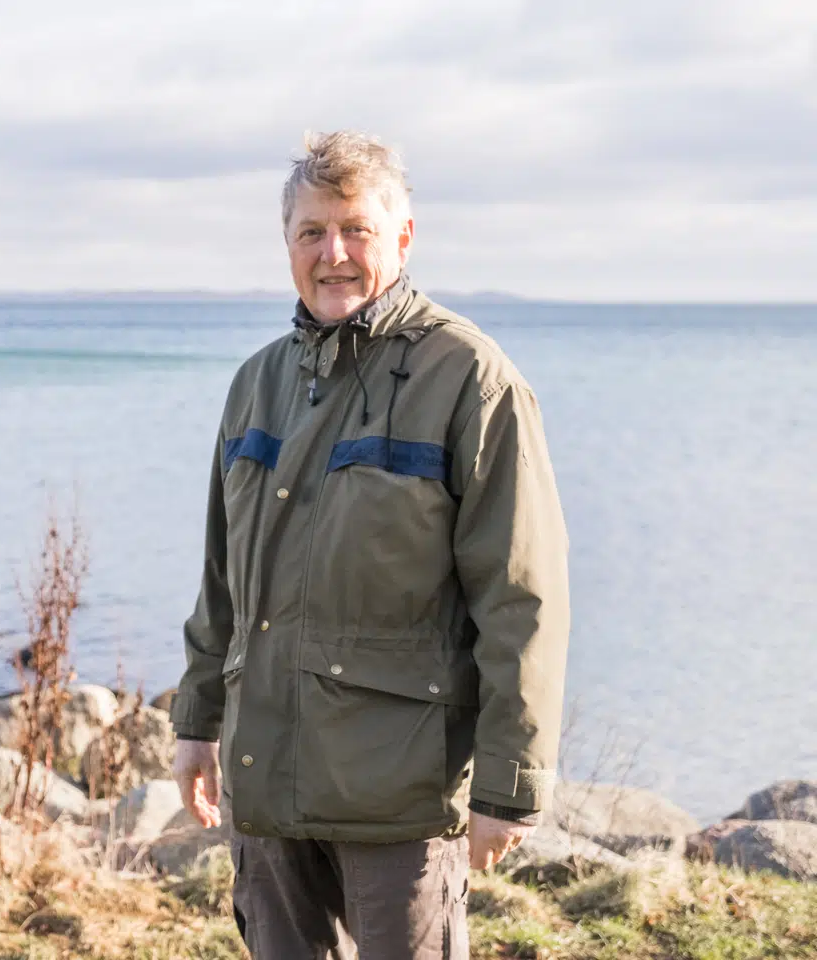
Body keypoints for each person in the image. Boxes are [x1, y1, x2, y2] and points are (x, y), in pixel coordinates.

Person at [170, 131, 570, 959]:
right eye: (312, 232)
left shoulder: (470, 379)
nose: (335, 253)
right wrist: (197, 719)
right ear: (288, 244)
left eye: (356, 229)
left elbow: (522, 601)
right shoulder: (257, 382)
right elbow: (222, 579)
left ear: (404, 237)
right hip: (267, 783)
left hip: (400, 799)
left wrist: (510, 788)